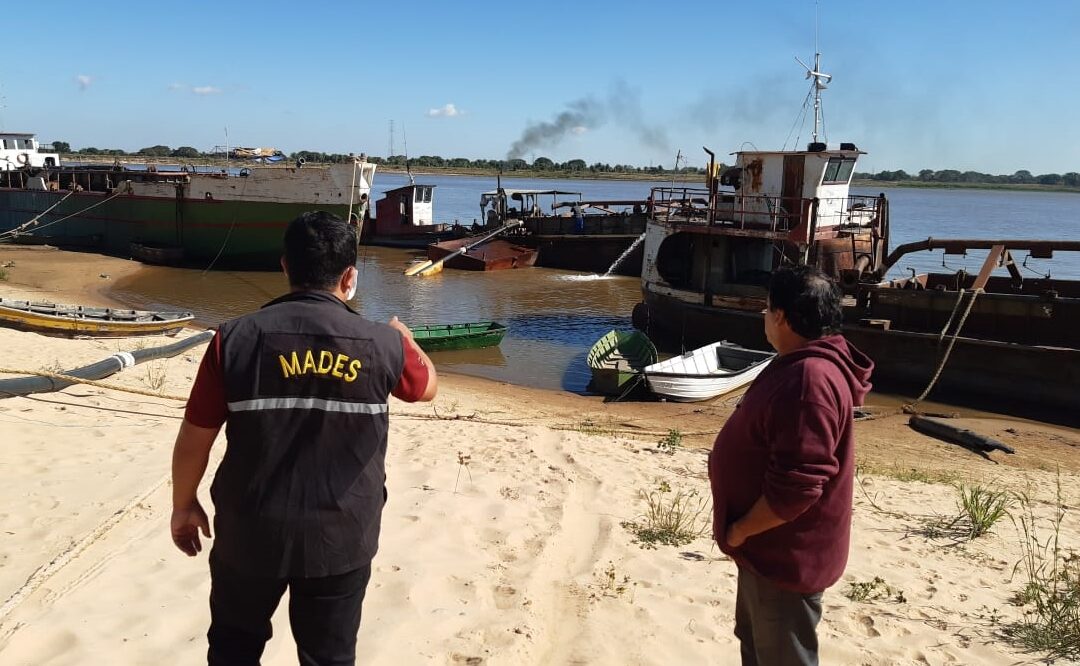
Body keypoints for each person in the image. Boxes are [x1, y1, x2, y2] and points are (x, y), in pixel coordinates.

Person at [170, 211, 437, 665]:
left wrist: (184, 503)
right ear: (349, 277)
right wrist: (406, 340)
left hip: (249, 532)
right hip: (341, 537)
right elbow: (426, 387)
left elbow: (196, 435)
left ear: (285, 267)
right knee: (328, 657)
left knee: (233, 650)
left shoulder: (231, 340)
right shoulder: (382, 344)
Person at [708, 266, 872, 665]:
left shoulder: (808, 381)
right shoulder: (801, 363)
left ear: (781, 316)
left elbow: (797, 487)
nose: (763, 317)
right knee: (757, 646)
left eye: (766, 309)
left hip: (783, 558)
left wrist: (741, 530)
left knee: (781, 655)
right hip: (766, 553)